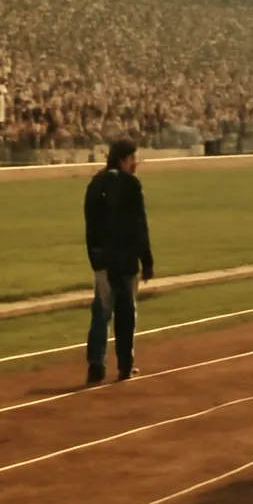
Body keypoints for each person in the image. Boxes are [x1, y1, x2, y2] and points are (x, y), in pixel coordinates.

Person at [83, 139, 155, 386]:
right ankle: (125, 365)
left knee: (101, 313)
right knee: (126, 314)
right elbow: (139, 225)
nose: (136, 164)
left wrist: (95, 258)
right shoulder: (131, 184)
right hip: (125, 260)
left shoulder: (95, 183)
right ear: (124, 159)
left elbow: (90, 225)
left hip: (103, 259)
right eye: (133, 159)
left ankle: (96, 366)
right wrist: (147, 261)